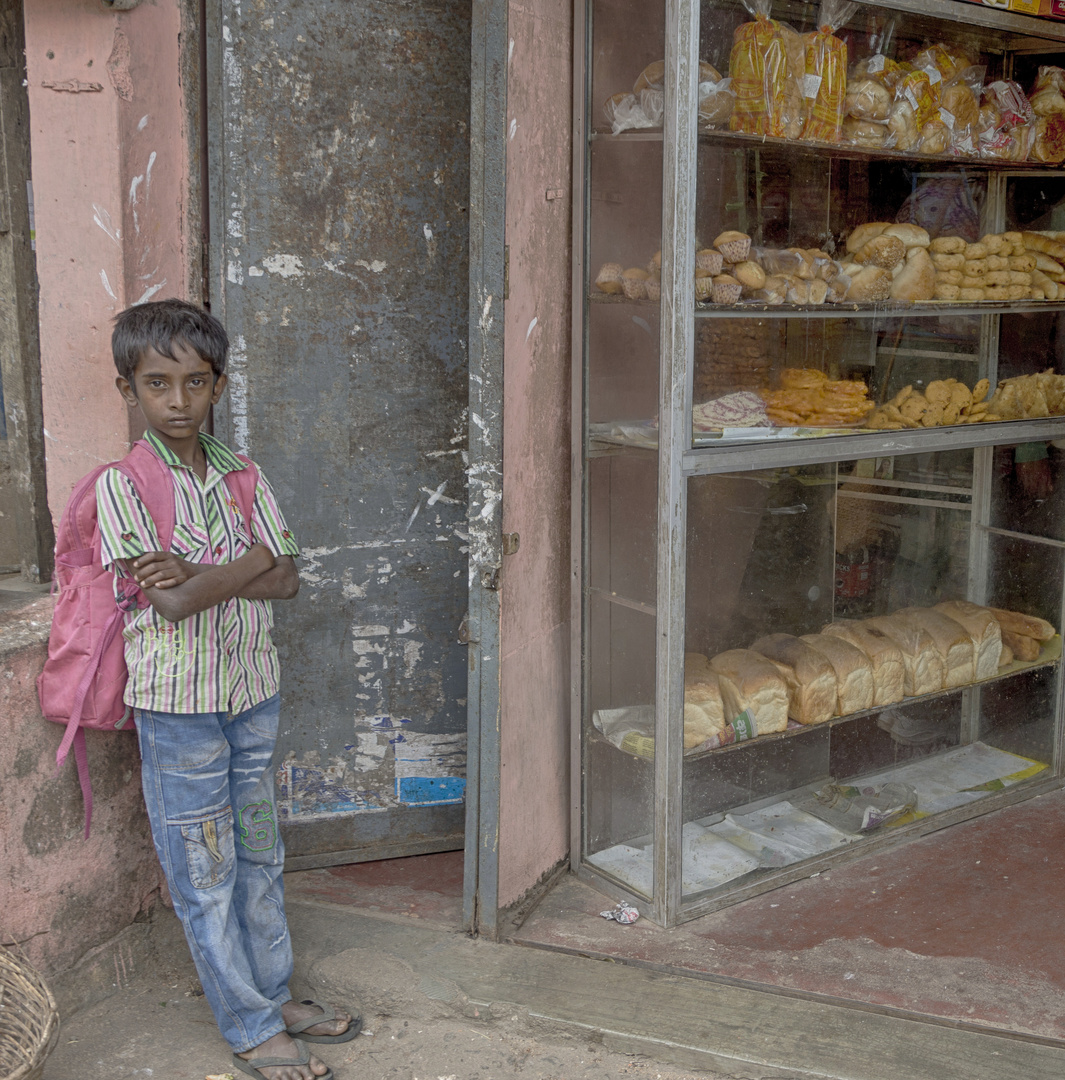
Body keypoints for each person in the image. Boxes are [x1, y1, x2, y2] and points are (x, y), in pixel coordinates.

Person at [95, 299, 359, 1080]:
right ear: (128, 390)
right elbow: (172, 603)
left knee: (257, 851)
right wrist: (247, 562)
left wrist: (223, 570)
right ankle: (247, 1025)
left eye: (196, 382)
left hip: (251, 691)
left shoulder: (243, 473)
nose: (178, 402)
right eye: (157, 384)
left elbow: (288, 580)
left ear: (218, 385)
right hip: (178, 708)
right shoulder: (123, 485)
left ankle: (271, 993)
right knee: (204, 869)